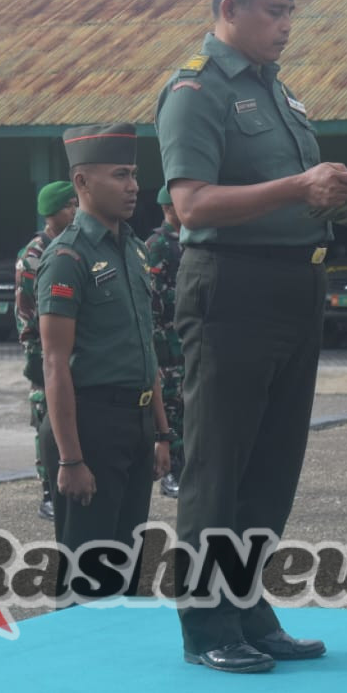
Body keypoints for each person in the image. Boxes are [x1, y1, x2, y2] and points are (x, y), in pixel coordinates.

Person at [153, 0, 347, 674]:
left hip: (293, 284)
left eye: (291, 12)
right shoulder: (196, 91)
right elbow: (193, 203)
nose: (286, 25)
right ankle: (207, 624)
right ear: (228, 6)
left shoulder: (278, 90)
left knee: (274, 463)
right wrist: (297, 187)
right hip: (229, 288)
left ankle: (248, 606)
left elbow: (295, 197)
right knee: (220, 464)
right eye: (275, 10)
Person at [36, 122, 173, 600]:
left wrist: (159, 432)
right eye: (119, 175)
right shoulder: (66, 258)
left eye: (134, 174)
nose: (133, 186)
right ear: (82, 182)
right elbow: (55, 363)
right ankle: (75, 668)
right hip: (89, 423)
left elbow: (146, 347)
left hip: (134, 423)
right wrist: (71, 459)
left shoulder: (133, 250)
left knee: (128, 566)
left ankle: (123, 667)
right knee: (88, 574)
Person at [14, 181, 78, 520]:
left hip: (69, 347)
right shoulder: (34, 255)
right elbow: (27, 313)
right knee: (47, 421)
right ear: (52, 213)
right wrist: (38, 356)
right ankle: (48, 491)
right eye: (69, 206)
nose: (75, 211)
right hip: (43, 350)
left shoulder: (72, 245)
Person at [145, 184, 184, 498]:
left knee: (186, 405)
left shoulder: (188, 241)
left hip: (186, 338)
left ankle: (185, 467)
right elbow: (154, 294)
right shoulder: (158, 244)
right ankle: (171, 472)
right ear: (169, 207)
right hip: (165, 340)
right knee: (169, 406)